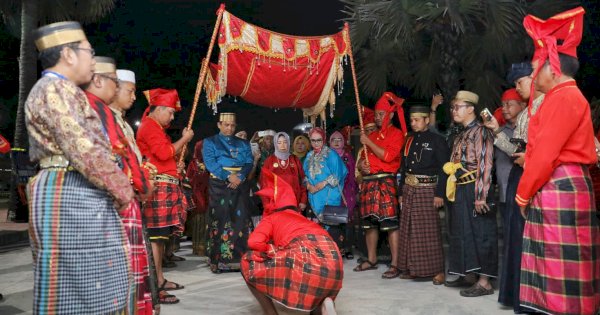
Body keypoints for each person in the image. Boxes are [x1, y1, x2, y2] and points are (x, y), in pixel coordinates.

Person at [25, 21, 133, 314]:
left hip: (75, 190)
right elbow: (86, 151)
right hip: (69, 193)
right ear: (69, 55)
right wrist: (124, 191)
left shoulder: (61, 89)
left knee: (87, 284)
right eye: (89, 50)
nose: (92, 59)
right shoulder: (55, 89)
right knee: (77, 288)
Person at [516, 7, 600, 314]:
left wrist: (522, 194)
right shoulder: (560, 96)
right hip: (557, 184)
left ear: (554, 67)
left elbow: (544, 155)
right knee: (552, 266)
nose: (533, 72)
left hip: (559, 184)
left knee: (562, 273)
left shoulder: (565, 97)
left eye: (536, 65)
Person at [84, 57, 154, 314]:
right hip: (112, 204)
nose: (131, 96)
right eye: (125, 88)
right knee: (115, 274)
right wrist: (140, 181)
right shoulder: (95, 114)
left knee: (128, 272)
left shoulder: (112, 117)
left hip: (124, 200)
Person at [241, 169, 342, 315]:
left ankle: (271, 313)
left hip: (304, 256)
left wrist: (270, 249)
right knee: (317, 277)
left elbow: (253, 242)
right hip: (333, 260)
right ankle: (325, 304)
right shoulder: (301, 218)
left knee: (247, 260)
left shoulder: (272, 218)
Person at [136, 88, 194, 303]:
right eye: (170, 112)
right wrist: (184, 138)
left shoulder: (157, 128)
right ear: (159, 109)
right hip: (157, 187)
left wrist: (178, 156)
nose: (172, 117)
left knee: (160, 238)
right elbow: (163, 153)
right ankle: (154, 284)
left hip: (166, 186)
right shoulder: (150, 126)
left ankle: (159, 278)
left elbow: (166, 154)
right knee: (156, 238)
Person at [443, 90, 497, 297]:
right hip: (461, 187)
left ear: (471, 109)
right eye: (453, 107)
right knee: (461, 232)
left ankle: (485, 282)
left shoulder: (481, 132)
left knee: (481, 233)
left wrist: (481, 195)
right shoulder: (461, 133)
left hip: (476, 187)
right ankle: (469, 275)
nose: (453, 111)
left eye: (458, 107)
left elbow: (485, 164)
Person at [483, 84, 530, 313]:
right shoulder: (501, 129)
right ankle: (510, 287)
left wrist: (496, 132)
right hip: (503, 192)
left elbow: (515, 154)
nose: (506, 108)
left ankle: (523, 290)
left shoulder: (524, 131)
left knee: (521, 244)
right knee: (509, 243)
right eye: (503, 104)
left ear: (523, 106)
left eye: (510, 103)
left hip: (522, 194)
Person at [354, 92, 406, 279]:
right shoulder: (372, 134)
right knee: (369, 224)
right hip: (369, 182)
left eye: (381, 114)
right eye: (376, 114)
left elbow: (387, 156)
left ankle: (395, 263)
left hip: (385, 181)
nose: (377, 117)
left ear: (391, 115)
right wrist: (362, 166)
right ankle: (372, 258)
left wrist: (368, 141)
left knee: (390, 224)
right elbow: (361, 160)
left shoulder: (397, 134)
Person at [397, 105, 448, 285]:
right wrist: (401, 192)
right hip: (409, 190)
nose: (413, 123)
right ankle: (414, 268)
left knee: (430, 232)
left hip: (428, 191)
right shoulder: (409, 140)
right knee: (410, 230)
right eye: (411, 120)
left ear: (427, 120)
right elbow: (403, 168)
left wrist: (440, 194)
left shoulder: (437, 140)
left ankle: (438, 270)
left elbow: (445, 169)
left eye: (417, 120)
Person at [202, 112, 254, 273]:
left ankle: (238, 259)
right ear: (219, 125)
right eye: (226, 125)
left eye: (232, 125)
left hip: (239, 184)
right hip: (219, 184)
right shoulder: (210, 142)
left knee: (239, 219)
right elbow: (210, 163)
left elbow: (249, 162)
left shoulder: (243, 143)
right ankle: (216, 259)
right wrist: (227, 176)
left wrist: (239, 176)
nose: (229, 128)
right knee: (219, 218)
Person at [304, 127, 348, 254]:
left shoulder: (331, 154)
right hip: (313, 197)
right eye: (313, 140)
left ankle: (333, 255)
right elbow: (304, 175)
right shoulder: (309, 156)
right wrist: (308, 185)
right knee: (315, 227)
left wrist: (321, 184)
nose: (316, 143)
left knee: (331, 226)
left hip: (329, 196)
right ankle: (319, 254)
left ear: (323, 139)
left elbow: (340, 173)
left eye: (318, 140)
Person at [259, 132, 308, 212]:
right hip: (275, 204)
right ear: (275, 144)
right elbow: (264, 184)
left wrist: (303, 200)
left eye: (285, 142)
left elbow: (303, 181)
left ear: (288, 143)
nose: (282, 145)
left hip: (294, 203)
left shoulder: (295, 160)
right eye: (279, 143)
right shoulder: (269, 161)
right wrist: (267, 204)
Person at [329, 131, 358, 259]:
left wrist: (353, 192)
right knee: (335, 220)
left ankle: (348, 248)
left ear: (343, 142)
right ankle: (337, 248)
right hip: (333, 191)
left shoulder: (348, 156)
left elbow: (352, 175)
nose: (336, 142)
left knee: (347, 220)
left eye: (339, 139)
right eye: (333, 139)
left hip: (347, 192)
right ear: (329, 142)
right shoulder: (327, 157)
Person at [109, 69, 142, 161]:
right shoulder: (106, 119)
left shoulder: (126, 125)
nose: (134, 97)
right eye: (130, 91)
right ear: (115, 90)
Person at [187, 140, 210, 256]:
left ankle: (208, 246)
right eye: (203, 149)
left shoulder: (211, 162)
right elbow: (188, 179)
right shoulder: (193, 163)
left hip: (210, 194)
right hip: (198, 195)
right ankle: (198, 247)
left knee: (208, 220)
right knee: (199, 220)